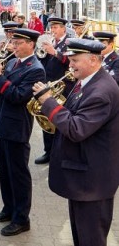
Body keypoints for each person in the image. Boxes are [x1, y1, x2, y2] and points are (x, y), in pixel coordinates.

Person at [32, 38, 119, 246]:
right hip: (83, 179)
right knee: (82, 240)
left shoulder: (101, 91)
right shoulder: (88, 82)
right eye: (70, 60)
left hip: (92, 183)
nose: (70, 65)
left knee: (91, 245)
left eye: (75, 60)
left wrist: (48, 101)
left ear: (93, 60)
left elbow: (76, 128)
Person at [0, 28, 45, 236]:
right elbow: (1, 91)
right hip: (4, 124)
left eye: (18, 43)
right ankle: (9, 209)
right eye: (13, 42)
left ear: (31, 44)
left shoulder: (35, 69)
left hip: (17, 127)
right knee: (5, 173)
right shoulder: (15, 62)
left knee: (18, 175)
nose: (13, 46)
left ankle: (22, 218)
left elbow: (17, 96)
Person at [35, 17, 74, 165]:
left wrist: (55, 52)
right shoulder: (51, 42)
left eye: (56, 27)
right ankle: (48, 152)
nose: (53, 30)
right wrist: (43, 52)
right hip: (48, 84)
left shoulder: (69, 43)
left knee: (61, 119)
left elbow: (71, 62)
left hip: (64, 87)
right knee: (46, 117)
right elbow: (42, 60)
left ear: (64, 28)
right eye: (52, 27)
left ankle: (61, 153)